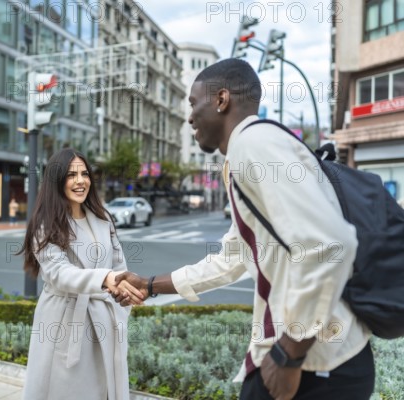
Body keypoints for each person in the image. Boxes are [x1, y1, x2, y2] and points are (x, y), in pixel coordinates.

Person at [114, 58, 374, 400]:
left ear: (221, 100)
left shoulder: (254, 145)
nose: (190, 116)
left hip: (316, 365)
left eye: (194, 104)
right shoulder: (246, 152)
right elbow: (233, 258)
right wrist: (151, 285)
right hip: (313, 358)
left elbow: (329, 245)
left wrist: (288, 355)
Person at [19, 148, 143, 400]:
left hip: (104, 320)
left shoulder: (102, 218)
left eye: (84, 174)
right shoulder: (46, 223)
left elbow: (119, 266)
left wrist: (124, 295)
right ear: (57, 180)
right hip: (64, 323)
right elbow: (59, 274)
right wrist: (103, 279)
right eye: (71, 175)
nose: (80, 181)